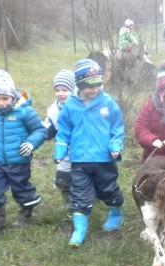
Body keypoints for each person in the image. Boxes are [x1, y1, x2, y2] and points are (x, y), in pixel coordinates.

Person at [54, 59, 125, 247]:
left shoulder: (108, 103)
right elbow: (64, 130)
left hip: (104, 159)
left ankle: (116, 212)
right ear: (79, 85)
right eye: (90, 86)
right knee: (79, 193)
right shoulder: (70, 105)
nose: (95, 90)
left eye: (98, 85)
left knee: (107, 189)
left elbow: (117, 128)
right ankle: (79, 229)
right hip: (80, 160)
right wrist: (60, 149)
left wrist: (115, 145)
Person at [0, 69, 46, 233]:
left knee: (21, 189)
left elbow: (40, 130)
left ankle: (26, 211)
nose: (1, 103)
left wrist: (30, 144)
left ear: (13, 96)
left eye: (5, 98)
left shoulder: (25, 111)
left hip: (19, 161)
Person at [43, 69, 76, 194]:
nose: (60, 93)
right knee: (62, 179)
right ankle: (66, 188)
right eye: (57, 90)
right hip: (65, 149)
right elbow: (49, 124)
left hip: (84, 148)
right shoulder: (53, 110)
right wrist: (44, 132)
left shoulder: (80, 106)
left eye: (65, 90)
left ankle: (88, 190)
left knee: (85, 175)